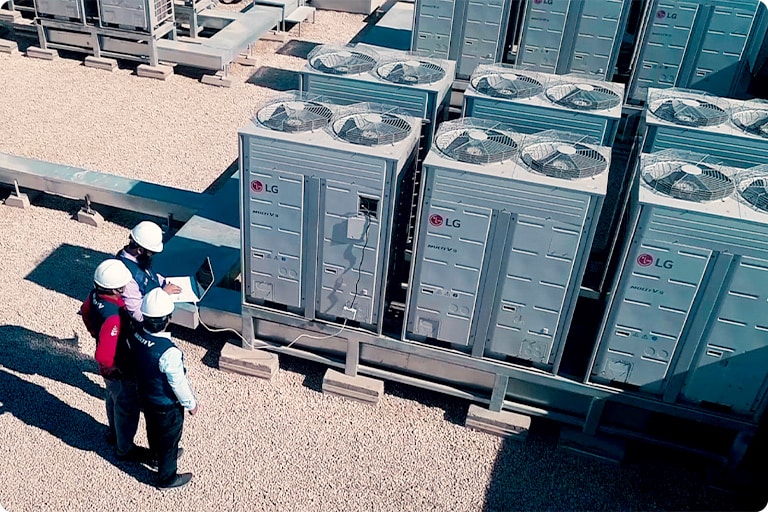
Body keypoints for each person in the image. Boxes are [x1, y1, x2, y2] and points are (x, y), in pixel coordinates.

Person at [79, 259, 152, 463]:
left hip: (108, 370)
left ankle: (114, 434)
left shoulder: (94, 296)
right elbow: (104, 354)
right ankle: (125, 449)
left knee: (111, 398)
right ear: (116, 288)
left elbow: (85, 311)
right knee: (126, 407)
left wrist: (95, 333)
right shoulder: (113, 317)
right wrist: (114, 369)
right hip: (118, 367)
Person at [128, 288, 199, 490]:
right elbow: (178, 382)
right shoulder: (169, 352)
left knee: (153, 429)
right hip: (166, 405)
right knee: (170, 438)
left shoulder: (137, 333)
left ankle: (156, 456)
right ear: (168, 318)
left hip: (147, 396)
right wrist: (191, 403)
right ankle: (167, 477)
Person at [117, 221, 181, 323]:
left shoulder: (138, 260)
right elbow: (137, 314)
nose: (153, 255)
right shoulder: (126, 276)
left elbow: (149, 275)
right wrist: (164, 295)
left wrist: (166, 281)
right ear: (140, 251)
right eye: (152, 253)